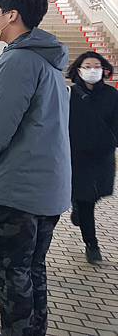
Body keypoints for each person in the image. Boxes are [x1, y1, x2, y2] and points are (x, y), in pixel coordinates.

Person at [0, 0, 71, 336]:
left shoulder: (19, 61)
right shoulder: (50, 63)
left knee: (11, 274)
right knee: (32, 269)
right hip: (47, 189)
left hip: (18, 192)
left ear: (12, 15)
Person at [67, 51, 118, 264]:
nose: (92, 70)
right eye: (87, 66)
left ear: (104, 69)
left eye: (96, 66)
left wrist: (110, 142)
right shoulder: (70, 95)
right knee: (86, 200)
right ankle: (92, 245)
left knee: (94, 196)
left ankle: (77, 206)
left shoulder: (112, 95)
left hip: (102, 155)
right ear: (78, 70)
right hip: (76, 156)